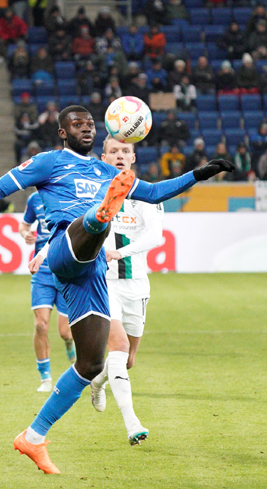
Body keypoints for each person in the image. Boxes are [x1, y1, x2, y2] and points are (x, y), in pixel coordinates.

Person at [0, 106, 234, 474]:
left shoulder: (108, 172)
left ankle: (33, 437)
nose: (86, 128)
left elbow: (153, 192)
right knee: (90, 225)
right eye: (77, 124)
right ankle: (101, 214)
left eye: (90, 124)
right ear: (62, 132)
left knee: (91, 364)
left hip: (89, 274)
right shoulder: (49, 162)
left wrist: (199, 174)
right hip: (62, 248)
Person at [91, 136, 162, 445]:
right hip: (103, 284)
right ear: (104, 157)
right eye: (113, 152)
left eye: (125, 151)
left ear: (133, 157)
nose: (120, 156)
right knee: (117, 347)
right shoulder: (93, 193)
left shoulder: (146, 196)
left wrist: (121, 252)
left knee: (128, 359)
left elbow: (156, 236)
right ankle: (132, 424)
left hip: (137, 285)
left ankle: (98, 381)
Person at [19, 191, 77, 393]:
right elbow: (24, 224)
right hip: (41, 271)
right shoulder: (34, 199)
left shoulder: (67, 193)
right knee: (41, 325)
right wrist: (25, 233)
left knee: (65, 331)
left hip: (64, 269)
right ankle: (45, 378)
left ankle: (70, 343)